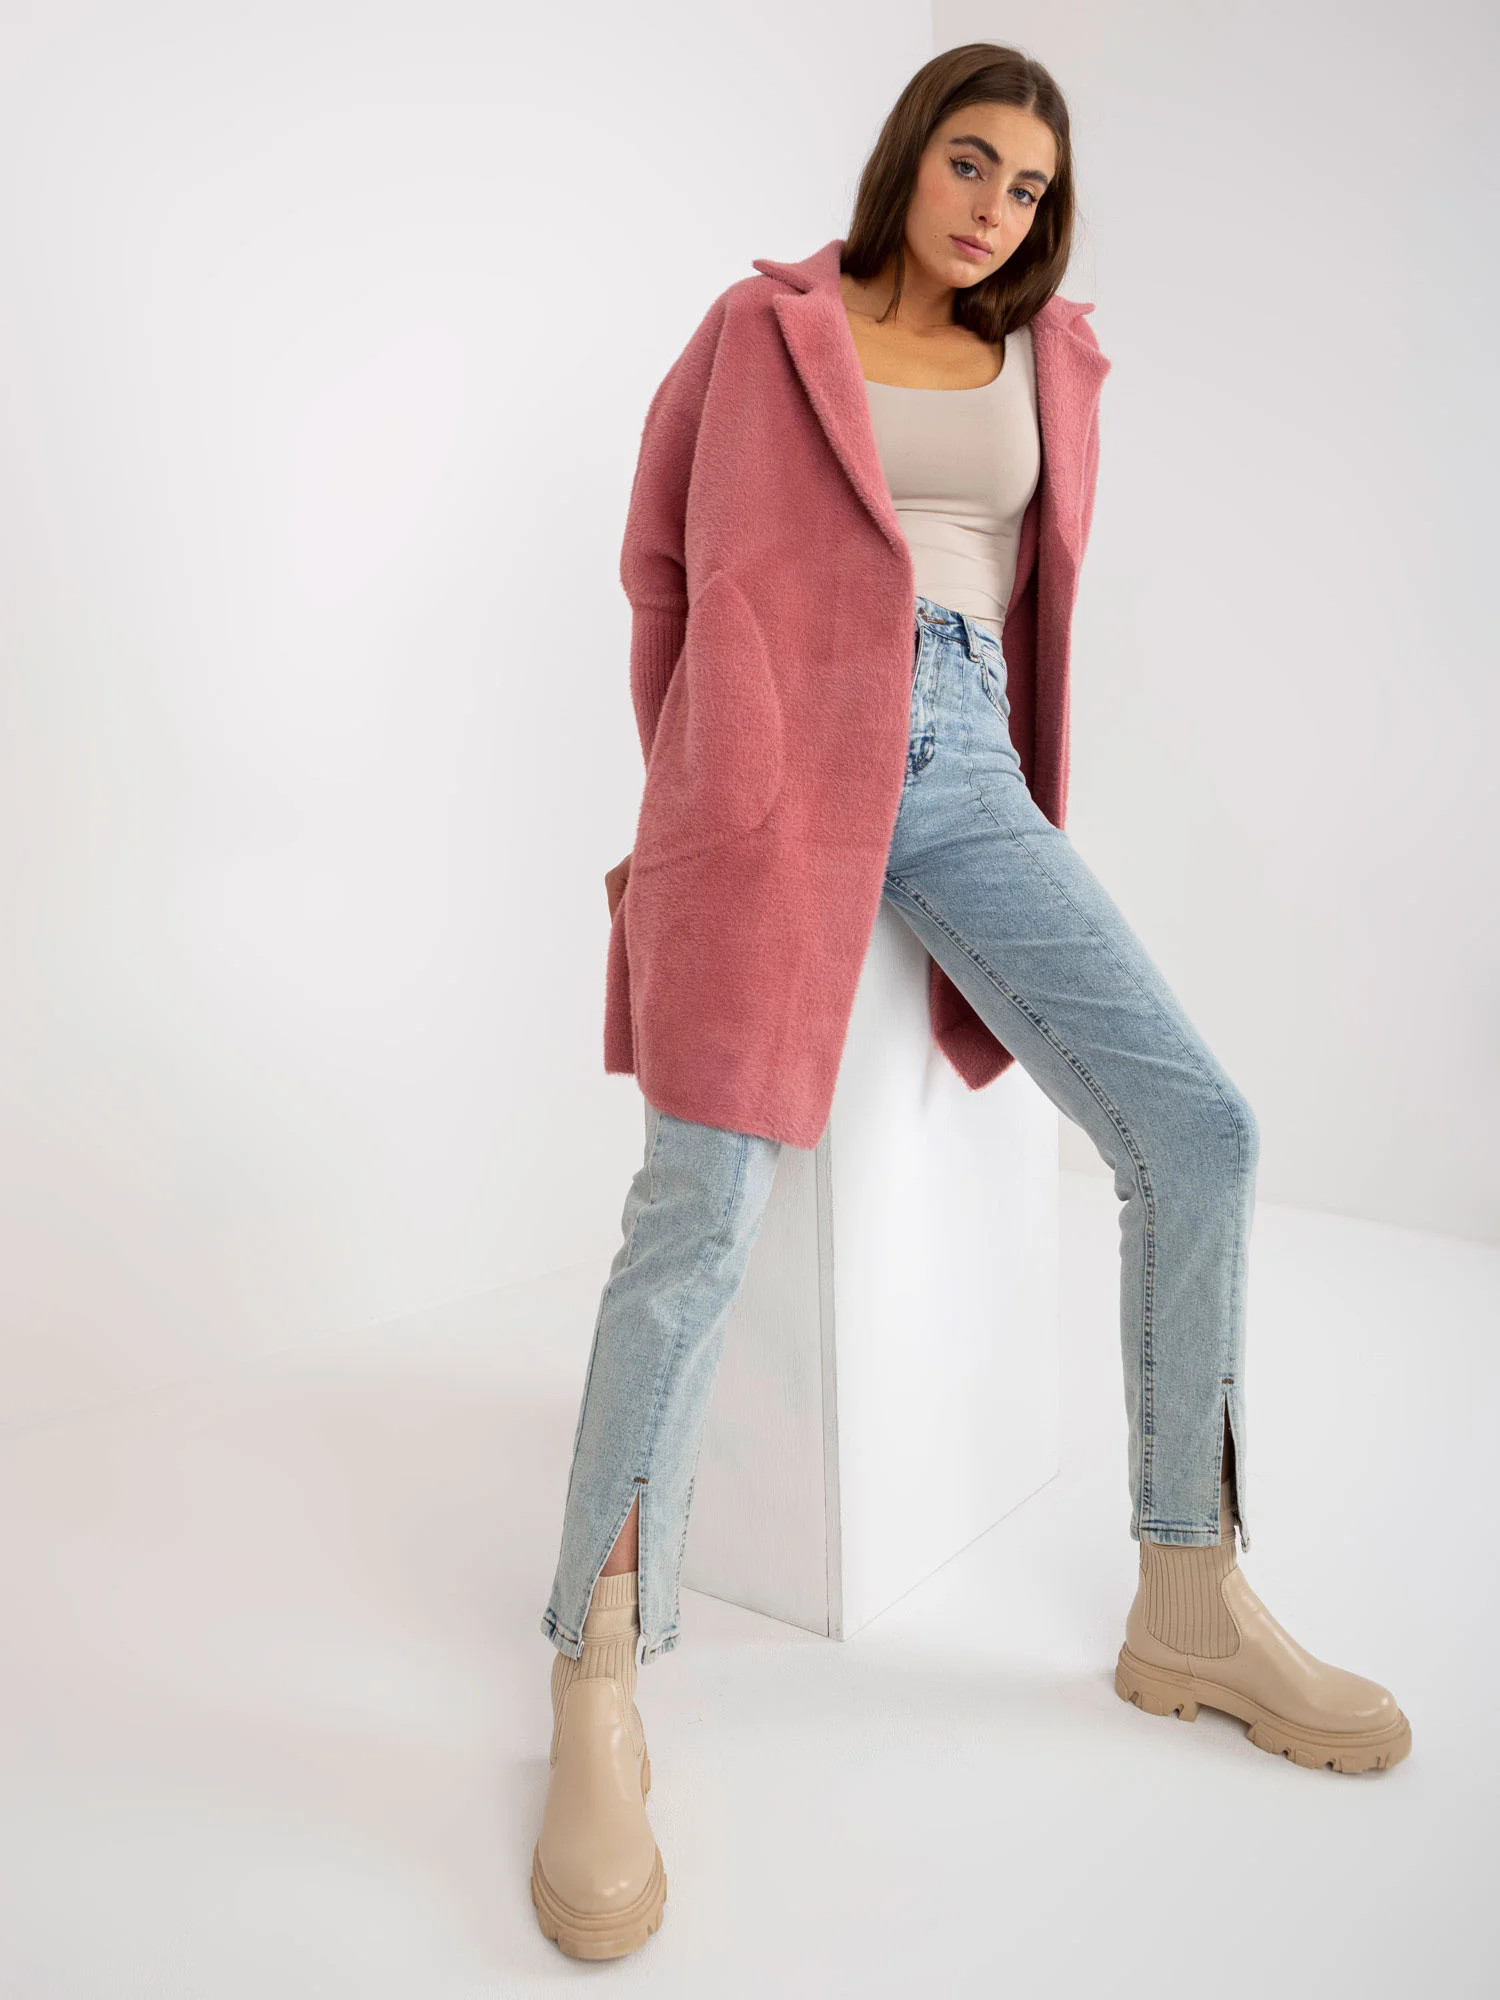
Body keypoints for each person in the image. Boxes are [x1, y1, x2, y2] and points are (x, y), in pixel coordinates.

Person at [530, 42, 1412, 1963]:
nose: (995, 208)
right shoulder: (763, 332)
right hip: (768, 767)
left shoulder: (1049, 360)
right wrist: (686, 801)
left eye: (1028, 188)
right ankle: (596, 1668)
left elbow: (1019, 593)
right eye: (970, 162)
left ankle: (1189, 1595)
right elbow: (661, 574)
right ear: (907, 158)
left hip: (967, 764)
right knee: (698, 1215)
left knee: (1201, 1129)